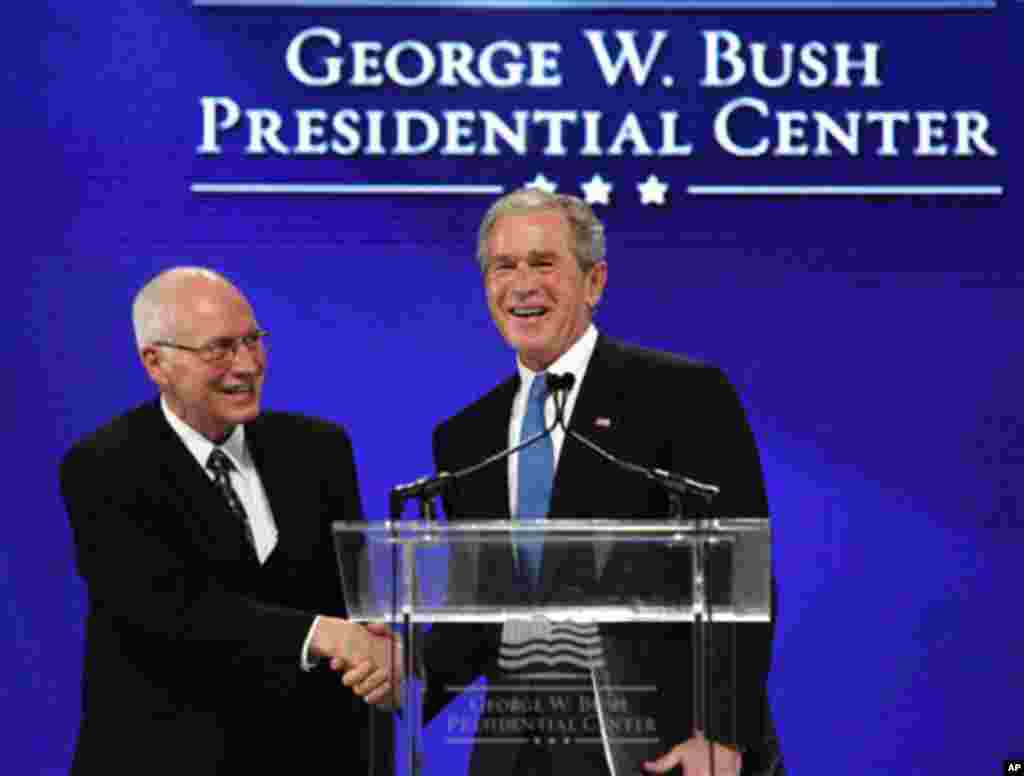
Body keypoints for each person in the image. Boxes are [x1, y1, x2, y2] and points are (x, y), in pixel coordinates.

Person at [422, 189, 782, 775]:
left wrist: (722, 733)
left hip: (661, 748)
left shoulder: (682, 396)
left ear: (594, 282)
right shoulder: (466, 436)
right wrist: (399, 671)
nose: (521, 284)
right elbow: (479, 618)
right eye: (503, 266)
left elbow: (740, 579)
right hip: (518, 755)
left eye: (543, 263)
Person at [60, 267, 398, 775]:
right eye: (219, 349)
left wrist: (382, 652)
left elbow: (350, 595)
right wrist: (319, 633)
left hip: (309, 755)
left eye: (253, 341)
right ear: (156, 363)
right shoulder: (104, 465)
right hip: (168, 758)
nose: (246, 365)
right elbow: (165, 608)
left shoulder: (318, 449)